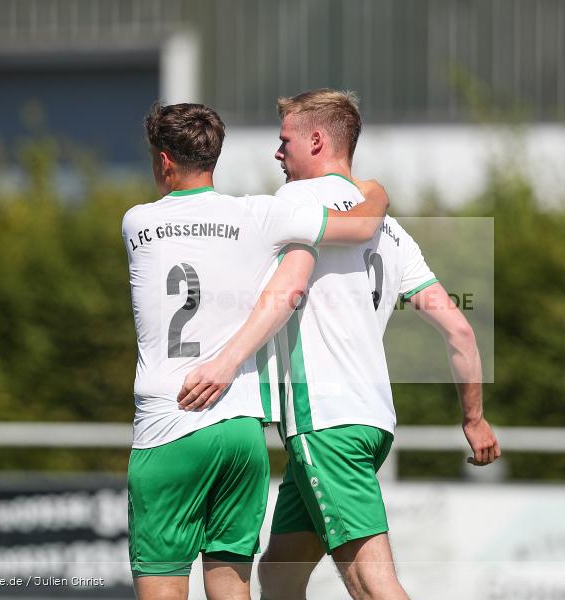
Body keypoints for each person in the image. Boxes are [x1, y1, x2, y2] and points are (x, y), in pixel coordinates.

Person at [179, 89, 500, 600]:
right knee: (281, 571)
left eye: (284, 141)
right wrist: (473, 417)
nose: (276, 153)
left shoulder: (296, 202)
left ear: (316, 138)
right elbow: (460, 330)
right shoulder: (395, 234)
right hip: (371, 421)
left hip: (324, 419)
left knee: (371, 583)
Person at [123, 101, 390, 600]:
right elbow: (361, 225)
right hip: (241, 430)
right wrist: (376, 189)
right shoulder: (261, 213)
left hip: (168, 424)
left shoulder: (137, 222)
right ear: (215, 156)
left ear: (163, 162)